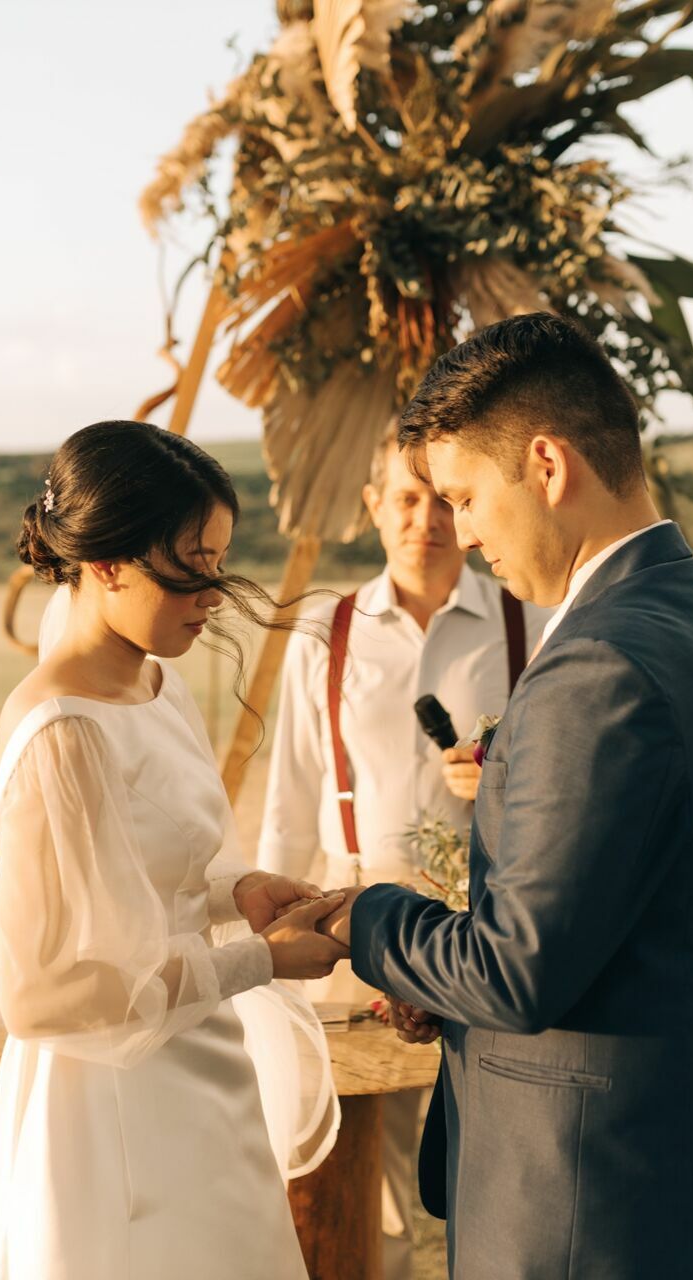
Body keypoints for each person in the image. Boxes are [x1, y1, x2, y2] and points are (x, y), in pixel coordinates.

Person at [321, 315, 693, 1278]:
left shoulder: (598, 666)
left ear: (546, 465)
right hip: (671, 1159)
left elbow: (516, 973)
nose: (460, 529)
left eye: (465, 496)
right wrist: (438, 995)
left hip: (590, 1201)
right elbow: (615, 926)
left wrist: (368, 921)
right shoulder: (686, 601)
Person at [0, 420, 348, 1280]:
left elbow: (153, 871)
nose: (213, 594)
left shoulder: (157, 681)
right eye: (193, 568)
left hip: (204, 1069)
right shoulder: (62, 731)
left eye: (218, 562)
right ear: (106, 565)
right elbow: (49, 992)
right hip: (113, 1102)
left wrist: (236, 888)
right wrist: (258, 962)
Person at [258, 430, 549, 1279]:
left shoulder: (524, 623)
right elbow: (287, 801)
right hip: (351, 930)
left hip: (483, 928)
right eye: (404, 498)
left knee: (483, 1165)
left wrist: (499, 771)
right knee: (359, 1182)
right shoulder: (325, 633)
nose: (424, 519)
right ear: (373, 507)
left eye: (442, 499)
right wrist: (270, 960)